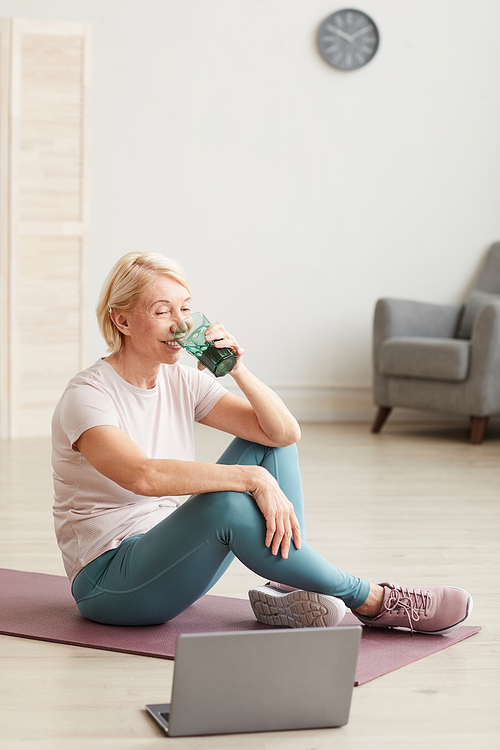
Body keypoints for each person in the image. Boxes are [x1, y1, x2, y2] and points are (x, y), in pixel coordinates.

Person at [52, 252, 472, 634]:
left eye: (184, 309)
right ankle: (373, 600)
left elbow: (284, 433)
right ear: (122, 321)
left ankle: (291, 580)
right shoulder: (87, 395)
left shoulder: (181, 380)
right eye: (162, 311)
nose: (180, 324)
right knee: (227, 500)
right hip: (109, 582)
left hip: (168, 551)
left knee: (269, 445)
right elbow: (141, 476)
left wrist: (237, 369)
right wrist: (249, 478)